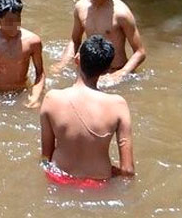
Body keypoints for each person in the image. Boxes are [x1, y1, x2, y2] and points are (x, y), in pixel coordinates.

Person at [40, 35, 135, 185]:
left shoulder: (52, 99)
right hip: (98, 183)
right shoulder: (118, 105)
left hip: (59, 178)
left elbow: (46, 157)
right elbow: (128, 171)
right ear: (106, 70)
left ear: (77, 59)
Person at [52, 0, 146, 86]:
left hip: (114, 72)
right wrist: (62, 64)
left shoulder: (121, 14)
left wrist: (120, 74)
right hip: (88, 72)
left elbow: (140, 52)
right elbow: (75, 40)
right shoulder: (81, 7)